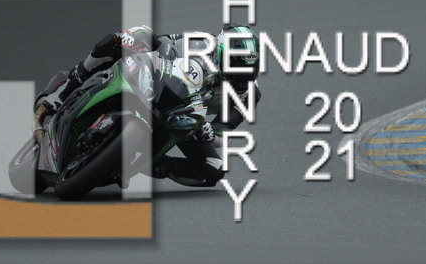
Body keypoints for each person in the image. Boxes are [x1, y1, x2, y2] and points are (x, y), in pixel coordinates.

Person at [37, 24, 261, 188]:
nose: (243, 74)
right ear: (220, 53)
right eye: (236, 65)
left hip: (189, 116)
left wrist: (210, 134)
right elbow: (163, 43)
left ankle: (151, 165)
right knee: (122, 39)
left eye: (249, 67)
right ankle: (67, 87)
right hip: (164, 85)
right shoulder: (200, 43)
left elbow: (225, 131)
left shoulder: (250, 95)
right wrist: (136, 40)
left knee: (213, 168)